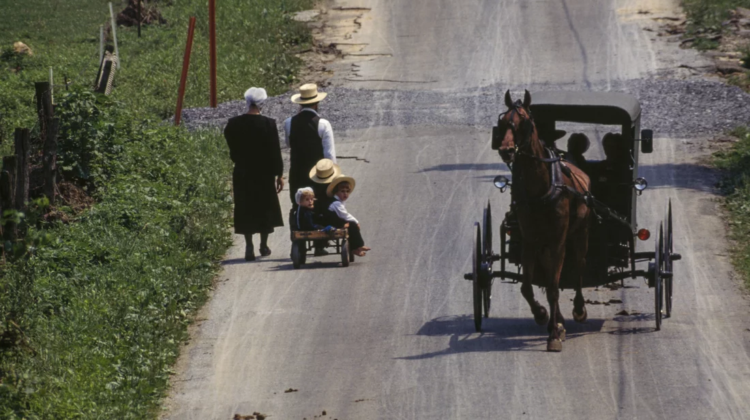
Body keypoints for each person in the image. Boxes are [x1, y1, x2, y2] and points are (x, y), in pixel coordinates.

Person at [224, 87, 284, 261]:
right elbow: (275, 151)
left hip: (242, 171)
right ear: (262, 103)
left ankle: (249, 245)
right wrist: (279, 174)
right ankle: (263, 245)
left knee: (245, 207)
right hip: (264, 173)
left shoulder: (233, 123)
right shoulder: (269, 124)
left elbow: (232, 147)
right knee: (265, 206)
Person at [284, 83, 337, 208]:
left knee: (299, 208)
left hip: (297, 174)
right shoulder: (323, 124)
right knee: (319, 208)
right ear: (316, 103)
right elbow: (329, 155)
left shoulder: (289, 122)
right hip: (318, 176)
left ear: (300, 103)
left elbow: (288, 144)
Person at [326, 175, 370, 257]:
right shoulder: (336, 203)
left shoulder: (339, 201)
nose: (345, 194)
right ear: (336, 192)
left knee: (350, 225)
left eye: (347, 191)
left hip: (335, 220)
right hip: (331, 222)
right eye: (342, 191)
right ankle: (358, 246)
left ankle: (355, 248)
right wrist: (356, 222)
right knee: (352, 224)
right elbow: (344, 215)